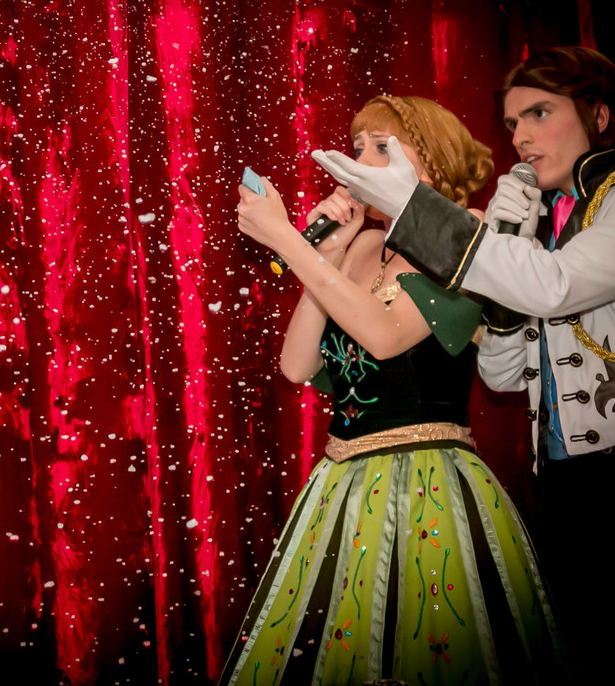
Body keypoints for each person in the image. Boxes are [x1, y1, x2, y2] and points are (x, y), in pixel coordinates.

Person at [313, 46, 615, 684]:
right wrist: (510, 247)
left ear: (599, 115)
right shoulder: (542, 224)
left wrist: (419, 211)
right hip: (565, 481)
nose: (519, 136)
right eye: (513, 122)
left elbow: (556, 287)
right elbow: (501, 374)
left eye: (539, 113)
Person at [224, 96, 566, 686]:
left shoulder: (465, 234)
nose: (359, 161)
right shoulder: (360, 245)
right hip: (342, 480)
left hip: (431, 482)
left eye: (381, 147)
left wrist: (286, 240)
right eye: (357, 147)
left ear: (431, 157)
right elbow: (297, 366)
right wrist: (324, 253)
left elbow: (384, 338)